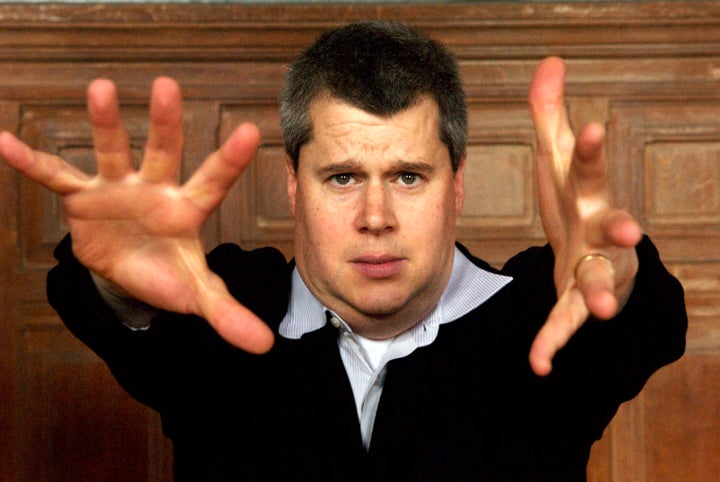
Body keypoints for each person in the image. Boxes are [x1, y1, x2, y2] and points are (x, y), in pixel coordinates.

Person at [0, 21, 686, 481]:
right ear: (294, 186)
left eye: (409, 176)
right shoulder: (225, 311)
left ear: (458, 186)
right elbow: (116, 312)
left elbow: (647, 319)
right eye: (343, 177)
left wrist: (617, 277)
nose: (376, 218)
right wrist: (122, 286)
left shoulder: (542, 316)